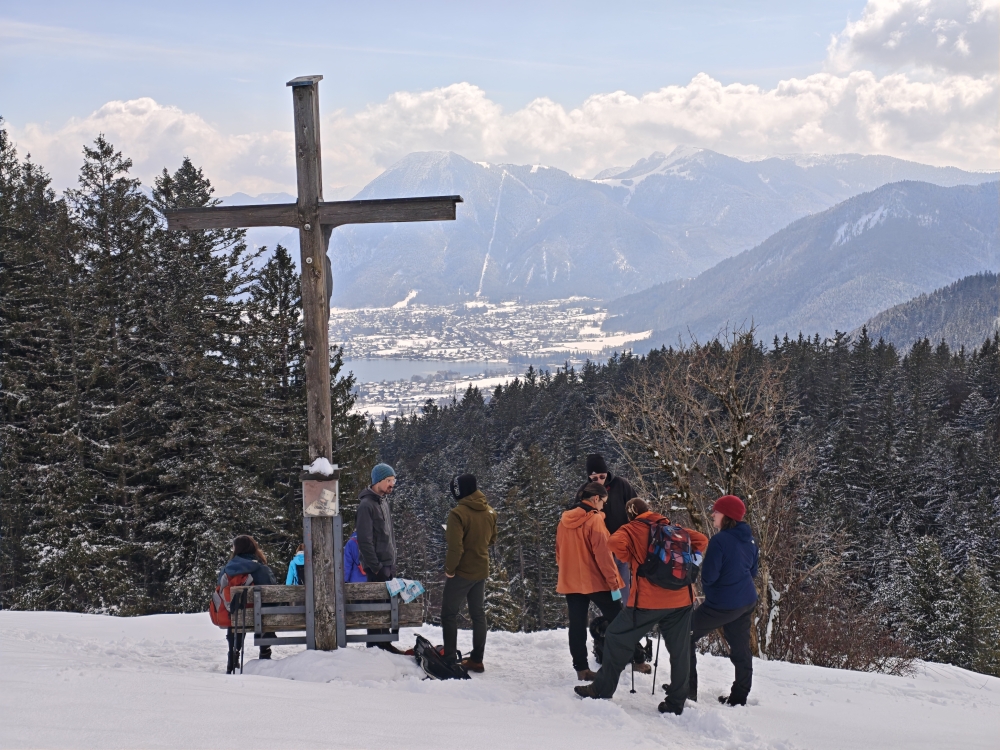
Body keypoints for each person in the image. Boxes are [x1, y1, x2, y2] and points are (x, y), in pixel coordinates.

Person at [575, 498, 708, 716]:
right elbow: (701, 540)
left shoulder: (631, 528)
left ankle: (601, 690)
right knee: (680, 650)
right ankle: (676, 702)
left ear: (630, 514)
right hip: (682, 599)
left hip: (648, 601)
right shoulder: (671, 528)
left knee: (617, 636)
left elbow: (613, 544)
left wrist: (634, 558)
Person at [690, 495, 759, 707]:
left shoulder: (720, 540)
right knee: (740, 648)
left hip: (721, 605)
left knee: (683, 635)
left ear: (727, 516)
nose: (712, 514)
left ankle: (685, 689)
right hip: (746, 601)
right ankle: (739, 697)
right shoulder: (750, 540)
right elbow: (753, 572)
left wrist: (711, 590)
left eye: (716, 511)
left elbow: (709, 576)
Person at [555, 481, 624, 680]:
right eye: (603, 501)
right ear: (595, 499)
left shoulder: (564, 520)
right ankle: (635, 658)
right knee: (620, 619)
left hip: (571, 581)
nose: (604, 506)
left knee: (577, 624)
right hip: (596, 581)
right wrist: (613, 583)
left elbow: (559, 552)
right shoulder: (594, 521)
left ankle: (581, 668)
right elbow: (604, 556)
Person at [441, 473, 498, 673]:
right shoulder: (490, 511)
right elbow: (492, 540)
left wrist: (450, 570)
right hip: (481, 570)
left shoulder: (457, 514)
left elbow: (455, 548)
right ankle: (477, 659)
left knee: (448, 614)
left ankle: (449, 657)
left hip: (462, 572)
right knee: (478, 614)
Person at [577, 454, 637, 603]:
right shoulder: (584, 491)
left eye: (602, 476)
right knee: (604, 587)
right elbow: (578, 517)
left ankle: (627, 616)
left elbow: (637, 510)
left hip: (621, 545)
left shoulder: (621, 485)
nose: (599, 481)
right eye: (595, 478)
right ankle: (612, 618)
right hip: (598, 548)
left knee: (623, 583)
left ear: (607, 473)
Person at [356, 462, 400, 650]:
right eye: (388, 480)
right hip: (377, 567)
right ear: (378, 481)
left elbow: (388, 535)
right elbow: (365, 540)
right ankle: (376, 645)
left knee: (385, 605)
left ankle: (384, 642)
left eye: (393, 480)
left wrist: (392, 561)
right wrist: (376, 566)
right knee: (376, 605)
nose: (392, 484)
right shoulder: (366, 505)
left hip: (387, 564)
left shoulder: (383, 502)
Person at [220, 535, 277, 671]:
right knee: (264, 610)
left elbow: (221, 591)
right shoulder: (261, 568)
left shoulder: (226, 569)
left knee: (237, 614)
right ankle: (265, 652)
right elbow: (273, 591)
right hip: (262, 618)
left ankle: (233, 656)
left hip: (237, 616)